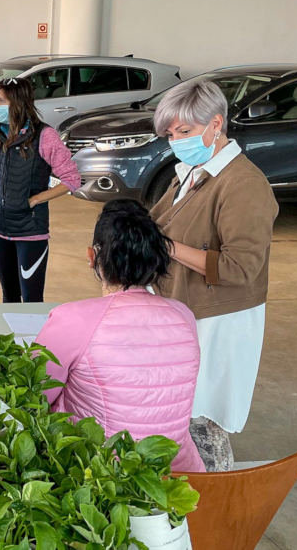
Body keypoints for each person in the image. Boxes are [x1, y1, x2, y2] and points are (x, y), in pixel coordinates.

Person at [149, 79, 279, 471]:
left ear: (215, 124)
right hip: (184, 311)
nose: (176, 141)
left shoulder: (243, 185)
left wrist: (168, 249)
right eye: (171, 134)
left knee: (202, 421)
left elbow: (240, 267)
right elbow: (157, 223)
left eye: (184, 132)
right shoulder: (191, 171)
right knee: (178, 416)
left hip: (218, 320)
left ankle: (215, 502)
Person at [38, 200, 205, 473]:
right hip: (177, 478)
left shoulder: (73, 318)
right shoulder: (183, 316)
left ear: (92, 256)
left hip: (101, 480)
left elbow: (35, 394)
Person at [0, 77, 82, 303]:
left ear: (17, 102)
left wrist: (35, 200)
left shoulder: (45, 136)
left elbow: (72, 179)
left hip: (30, 231)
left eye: (0, 101)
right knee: (9, 295)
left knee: (31, 298)